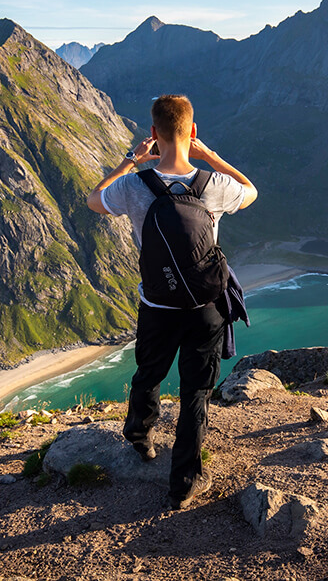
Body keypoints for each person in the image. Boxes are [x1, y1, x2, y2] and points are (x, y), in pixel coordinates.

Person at [86, 94, 257, 509]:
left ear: (153, 135)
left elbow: (94, 200)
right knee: (195, 391)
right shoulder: (212, 186)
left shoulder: (133, 186)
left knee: (149, 371)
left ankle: (140, 437)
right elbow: (251, 191)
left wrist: (131, 161)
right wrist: (211, 156)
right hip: (206, 309)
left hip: (157, 306)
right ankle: (183, 484)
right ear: (192, 132)